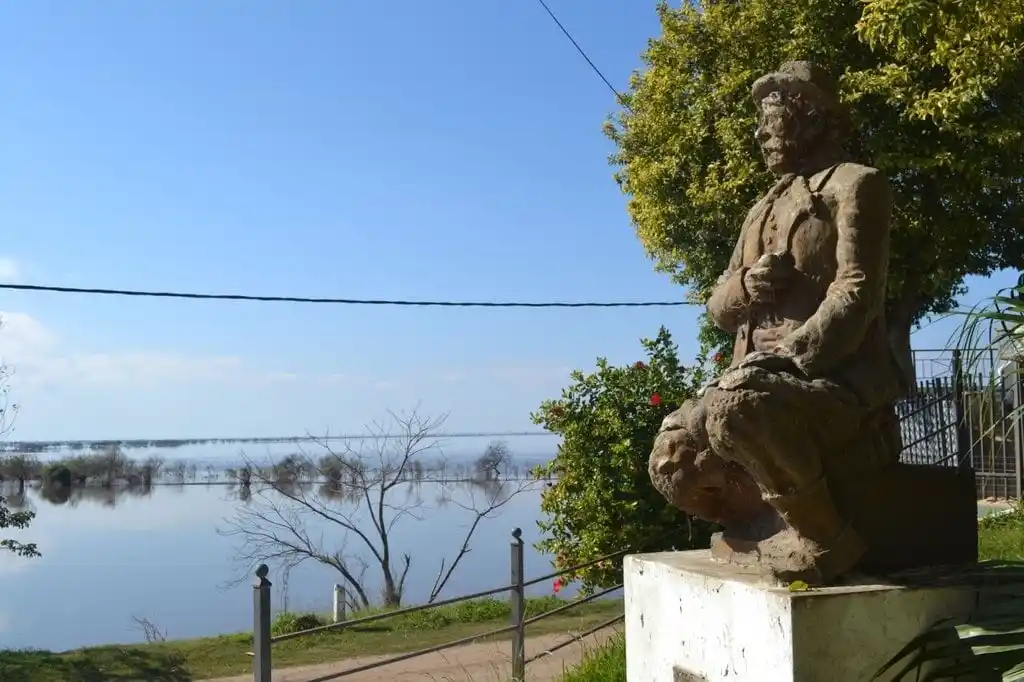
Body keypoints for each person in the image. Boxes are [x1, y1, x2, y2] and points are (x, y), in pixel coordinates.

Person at [649, 61, 909, 582]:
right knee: (671, 452)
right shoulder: (759, 208)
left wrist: (790, 357)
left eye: (771, 121)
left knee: (734, 409)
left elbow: (856, 292)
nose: (760, 134)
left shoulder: (857, 186)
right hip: (753, 376)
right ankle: (752, 525)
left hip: (831, 382)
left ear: (811, 120)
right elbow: (718, 307)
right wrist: (745, 287)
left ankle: (823, 538)